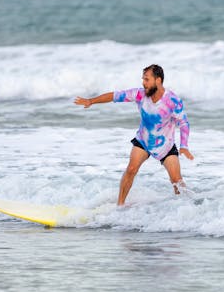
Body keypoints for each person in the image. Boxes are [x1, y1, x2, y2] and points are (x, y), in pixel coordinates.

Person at [74, 64, 194, 206]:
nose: (143, 83)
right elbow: (115, 96)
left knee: (176, 181)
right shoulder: (140, 94)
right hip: (143, 141)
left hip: (165, 146)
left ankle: (187, 208)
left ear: (158, 80)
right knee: (131, 170)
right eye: (143, 79)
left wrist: (184, 146)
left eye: (147, 79)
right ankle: (120, 206)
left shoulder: (172, 100)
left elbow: (184, 123)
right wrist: (91, 101)